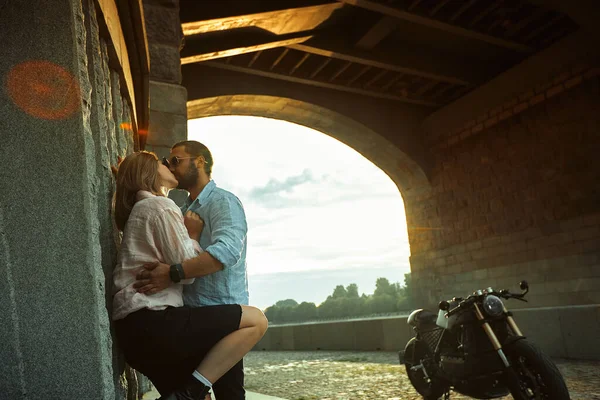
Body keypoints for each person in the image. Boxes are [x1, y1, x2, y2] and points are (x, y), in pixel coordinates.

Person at [112, 151, 267, 400]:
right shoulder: (161, 206)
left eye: (175, 160)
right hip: (158, 325)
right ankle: (191, 391)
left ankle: (191, 392)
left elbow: (225, 251)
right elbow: (186, 265)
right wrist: (192, 235)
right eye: (164, 162)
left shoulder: (216, 202)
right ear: (148, 172)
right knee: (257, 320)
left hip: (138, 331)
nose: (169, 166)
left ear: (200, 161)